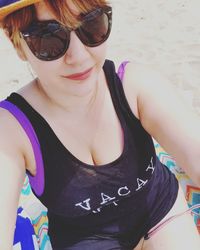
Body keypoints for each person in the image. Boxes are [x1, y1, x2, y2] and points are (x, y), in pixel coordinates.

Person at [0, 0, 200, 249]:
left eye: (92, 25)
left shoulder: (134, 87)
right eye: (49, 38)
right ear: (17, 43)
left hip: (161, 213)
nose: (79, 56)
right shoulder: (11, 130)